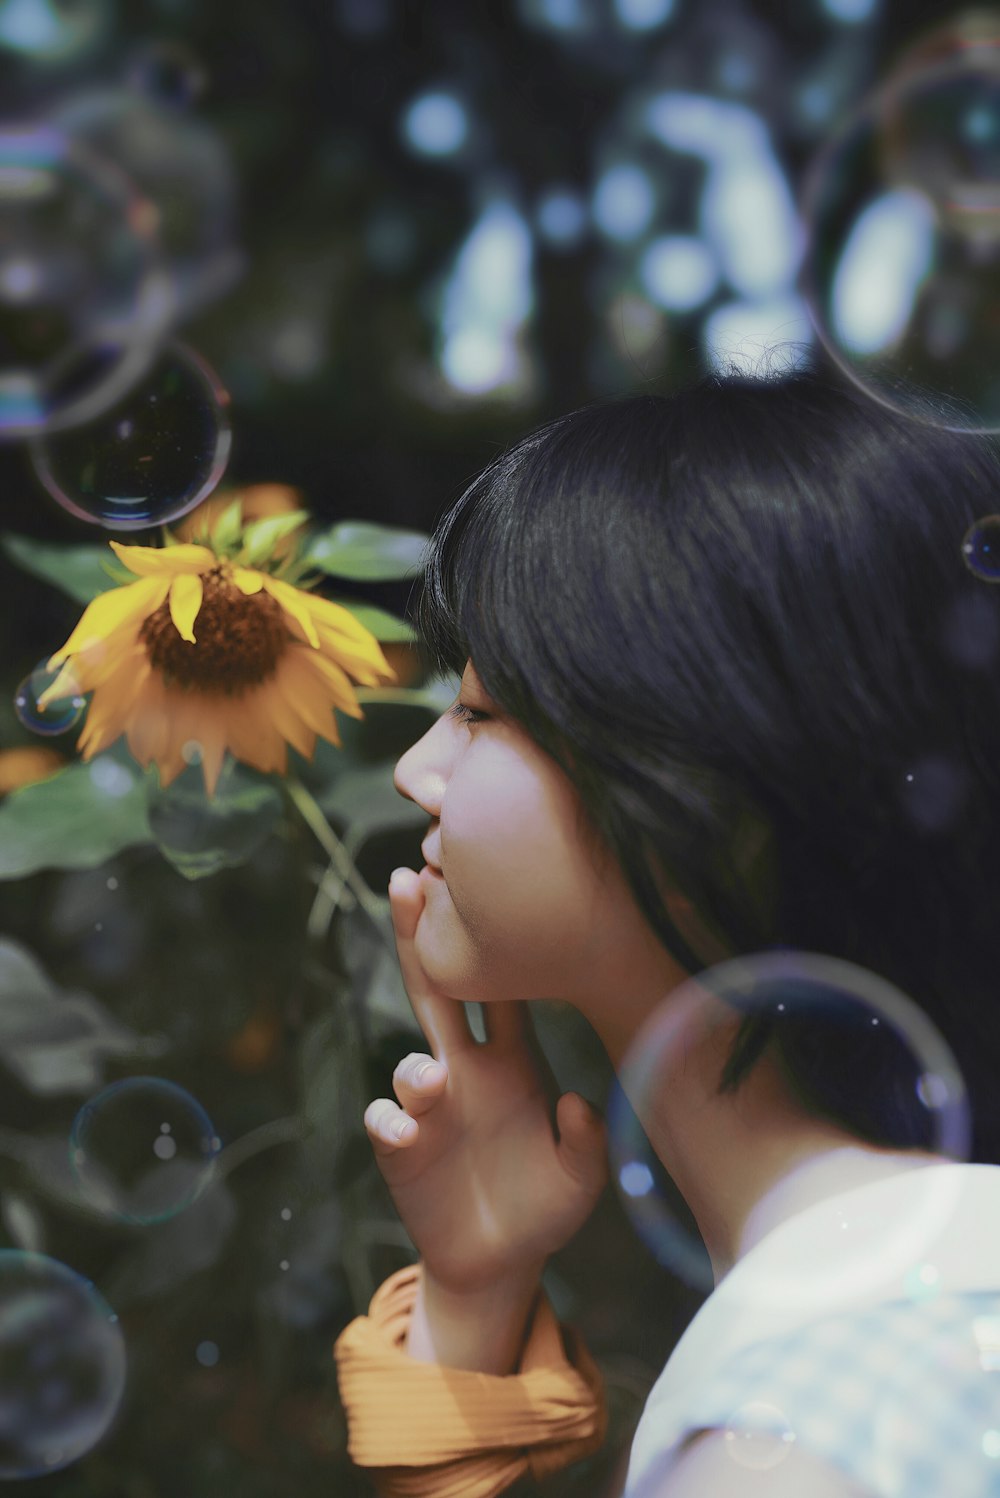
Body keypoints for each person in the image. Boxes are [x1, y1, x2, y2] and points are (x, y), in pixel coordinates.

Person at [333, 369, 1000, 1497]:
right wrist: (474, 1291)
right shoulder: (910, 1308)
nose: (416, 770)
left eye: (483, 714)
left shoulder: (792, 1440)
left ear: (715, 788)